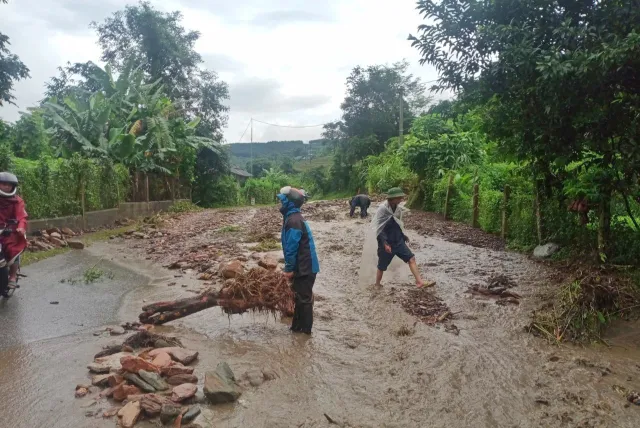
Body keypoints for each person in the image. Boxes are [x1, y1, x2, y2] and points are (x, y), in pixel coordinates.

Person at [277, 186, 320, 334]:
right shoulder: (293, 218)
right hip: (304, 266)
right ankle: (296, 329)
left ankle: (306, 333)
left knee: (304, 300)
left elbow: (291, 248)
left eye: (282, 202)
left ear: (289, 203)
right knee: (299, 299)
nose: (280, 205)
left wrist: (288, 269)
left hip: (305, 268)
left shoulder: (293, 220)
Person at [372, 187, 424, 288]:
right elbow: (379, 228)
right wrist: (385, 243)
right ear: (392, 198)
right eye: (399, 198)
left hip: (398, 241)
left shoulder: (398, 210)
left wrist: (403, 236)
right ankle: (377, 284)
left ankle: (419, 282)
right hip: (386, 243)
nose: (401, 200)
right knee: (381, 266)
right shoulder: (383, 209)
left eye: (401, 197)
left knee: (411, 259)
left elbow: (398, 225)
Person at [0, 172, 28, 296]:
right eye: (3, 184)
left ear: (13, 187)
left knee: (13, 250)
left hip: (10, 231)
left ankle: (12, 276)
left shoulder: (17, 201)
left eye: (8, 185)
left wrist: (20, 228)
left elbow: (21, 217)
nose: (6, 187)